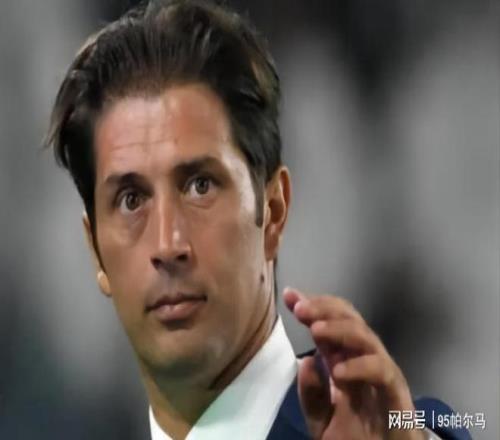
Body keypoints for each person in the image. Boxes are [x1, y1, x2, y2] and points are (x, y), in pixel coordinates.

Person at [46, 1, 470, 439]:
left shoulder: (390, 427)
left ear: (273, 212)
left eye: (200, 186)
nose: (168, 244)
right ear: (95, 250)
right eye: (132, 199)